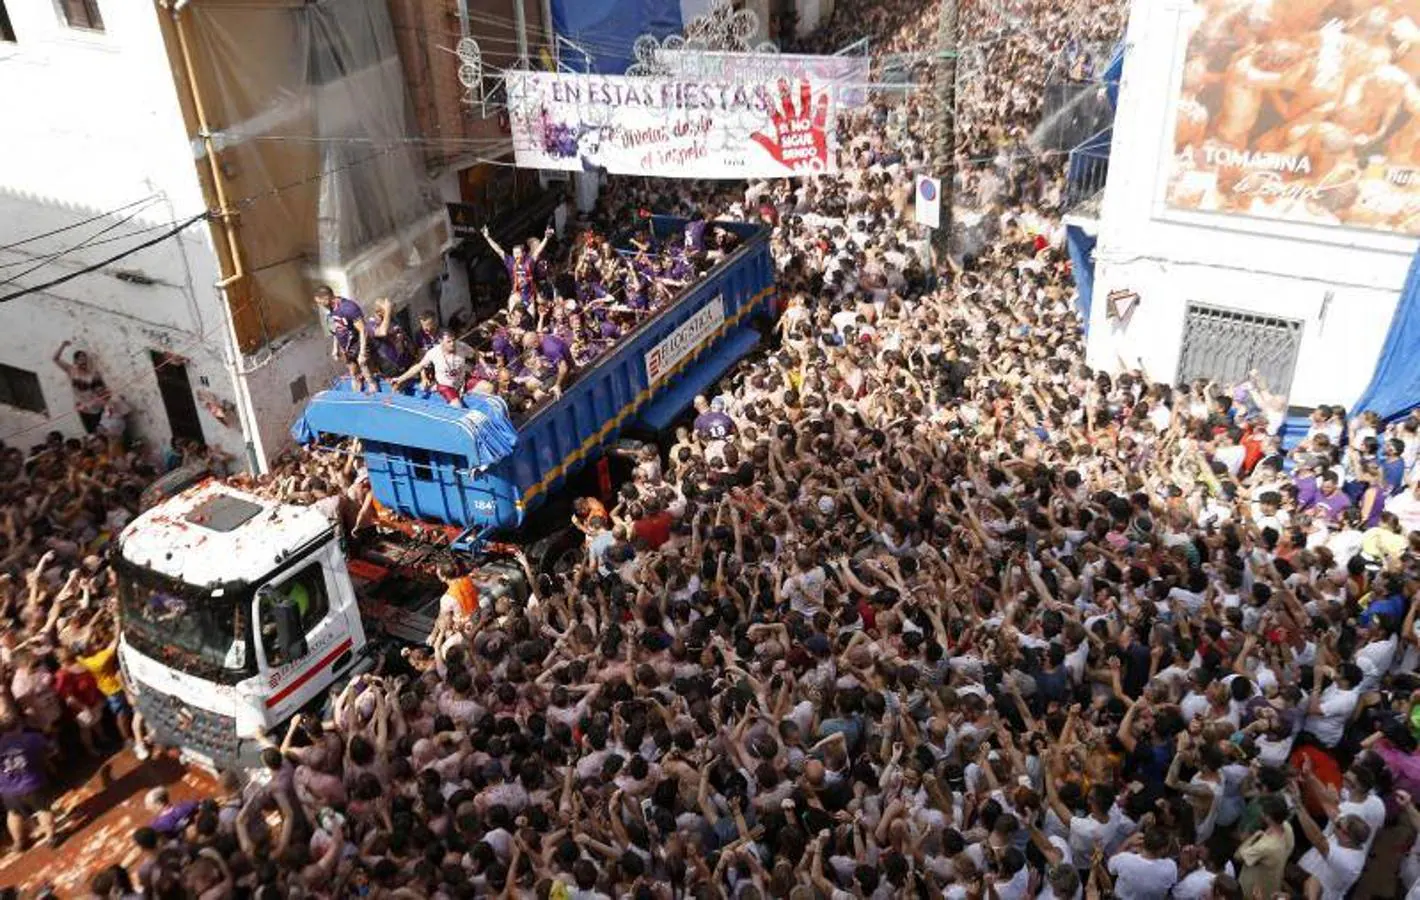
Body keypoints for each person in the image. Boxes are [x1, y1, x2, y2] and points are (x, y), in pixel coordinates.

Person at [0, 715, 54, 850]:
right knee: (43, 809)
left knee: (13, 814)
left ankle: (18, 842)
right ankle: (51, 837)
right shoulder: (32, 738)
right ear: (19, 725)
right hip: (32, 783)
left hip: (8, 790)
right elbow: (50, 750)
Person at [51, 341, 106, 435]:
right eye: (81, 359)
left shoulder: (93, 374)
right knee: (90, 432)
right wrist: (62, 346)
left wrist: (102, 402)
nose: (83, 361)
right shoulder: (71, 370)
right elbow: (55, 359)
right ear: (76, 361)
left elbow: (101, 390)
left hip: (95, 408)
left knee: (100, 432)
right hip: (82, 407)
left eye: (85, 359)